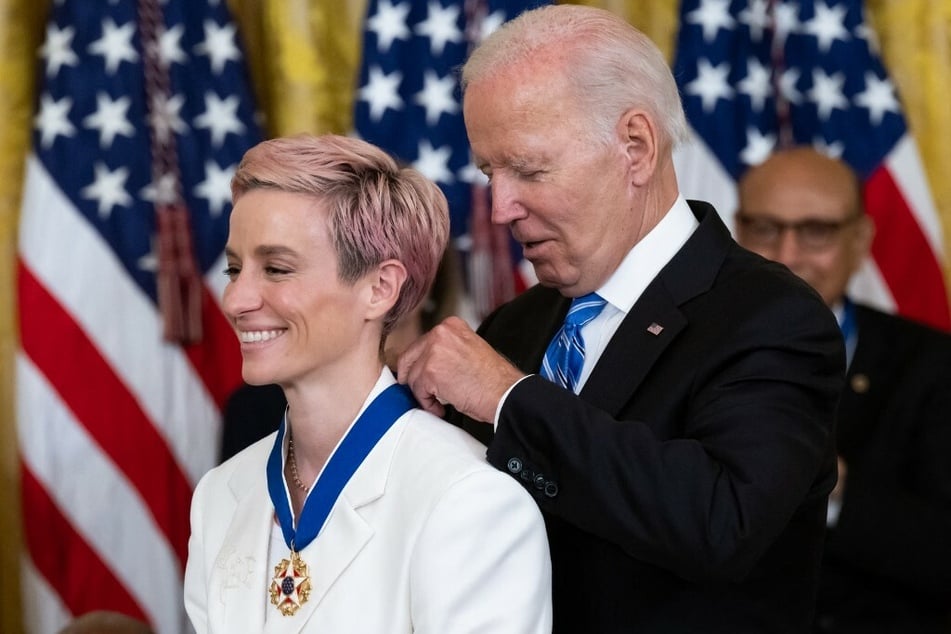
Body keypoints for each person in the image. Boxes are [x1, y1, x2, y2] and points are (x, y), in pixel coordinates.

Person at [396, 5, 845, 633]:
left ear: (634, 146)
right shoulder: (514, 327)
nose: (500, 208)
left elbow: (722, 523)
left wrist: (508, 397)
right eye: (488, 173)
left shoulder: (772, 318)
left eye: (528, 169)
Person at [183, 134, 552, 632]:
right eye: (234, 268)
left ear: (379, 289)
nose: (235, 299)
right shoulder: (219, 495)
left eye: (276, 268)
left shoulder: (470, 501)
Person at [736, 146, 951, 634]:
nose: (787, 255)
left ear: (860, 239)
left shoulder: (934, 365)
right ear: (736, 231)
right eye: (765, 229)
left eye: (817, 232)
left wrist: (832, 486)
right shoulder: (676, 346)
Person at [218, 244, 466, 463]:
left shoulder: (460, 393)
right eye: (233, 270)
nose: (382, 282)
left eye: (276, 269)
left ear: (434, 279)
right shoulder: (256, 404)